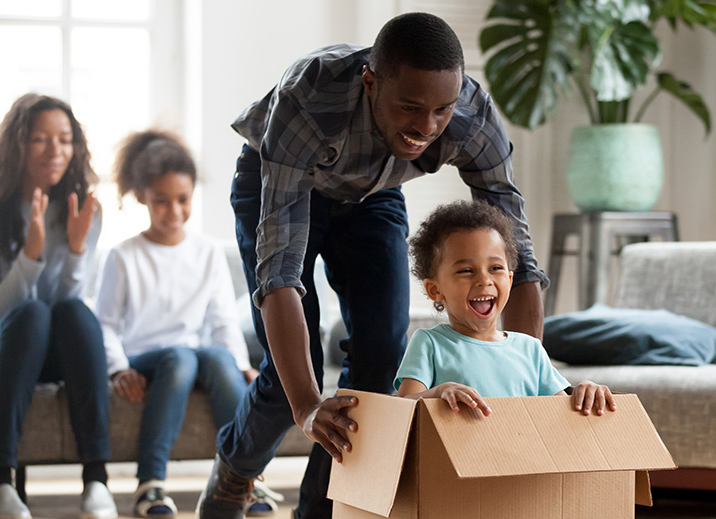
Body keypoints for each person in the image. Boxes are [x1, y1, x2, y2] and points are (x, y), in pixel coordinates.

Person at [197, 12, 547, 519]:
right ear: (370, 83)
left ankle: (323, 510)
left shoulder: (472, 116)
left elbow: (518, 253)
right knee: (293, 377)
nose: (426, 127)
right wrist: (308, 407)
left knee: (382, 355)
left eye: (440, 111)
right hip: (281, 185)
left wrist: (526, 389)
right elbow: (280, 275)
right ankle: (235, 471)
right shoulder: (309, 101)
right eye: (409, 107)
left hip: (372, 196)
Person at [94, 130, 282, 518]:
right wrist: (118, 369)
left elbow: (222, 320)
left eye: (182, 200)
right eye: (161, 201)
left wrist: (239, 364)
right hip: (146, 357)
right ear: (143, 196)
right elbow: (106, 325)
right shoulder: (122, 256)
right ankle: (151, 486)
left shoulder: (208, 251)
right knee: (181, 357)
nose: (174, 211)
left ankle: (244, 479)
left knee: (215, 357)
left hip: (194, 357)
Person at [0, 93, 117, 519]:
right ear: (17, 144)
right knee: (31, 313)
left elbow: (67, 310)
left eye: (64, 139)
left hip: (53, 347)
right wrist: (31, 257)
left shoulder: (83, 211)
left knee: (75, 313)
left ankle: (97, 479)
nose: (55, 151)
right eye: (40, 139)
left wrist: (75, 251)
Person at [395, 200, 615, 416]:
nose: (484, 280)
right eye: (466, 271)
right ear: (435, 290)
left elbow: (559, 415)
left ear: (509, 280)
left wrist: (585, 389)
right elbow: (402, 409)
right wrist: (438, 392)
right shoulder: (430, 344)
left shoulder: (530, 350)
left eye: (495, 268)